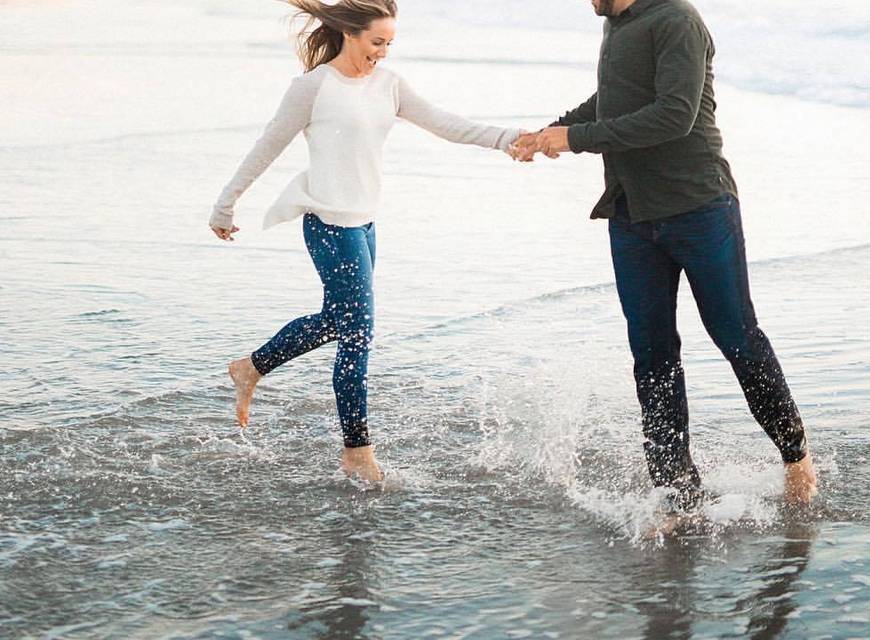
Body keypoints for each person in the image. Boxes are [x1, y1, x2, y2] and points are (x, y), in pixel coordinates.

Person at [514, 0, 817, 508]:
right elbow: (614, 100)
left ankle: (796, 458)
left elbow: (674, 115)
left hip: (698, 207)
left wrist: (577, 138)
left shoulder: (677, 19)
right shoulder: (617, 22)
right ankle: (675, 491)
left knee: (736, 337)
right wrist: (551, 132)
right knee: (651, 354)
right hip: (631, 214)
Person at [208, 0, 521, 483]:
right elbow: (266, 147)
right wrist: (225, 205)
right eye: (377, 42)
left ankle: (252, 367)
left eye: (390, 43)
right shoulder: (313, 87)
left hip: (366, 227)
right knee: (357, 334)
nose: (383, 51)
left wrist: (511, 139)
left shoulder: (389, 85)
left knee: (341, 322)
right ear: (350, 34)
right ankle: (356, 450)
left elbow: (448, 124)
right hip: (329, 225)